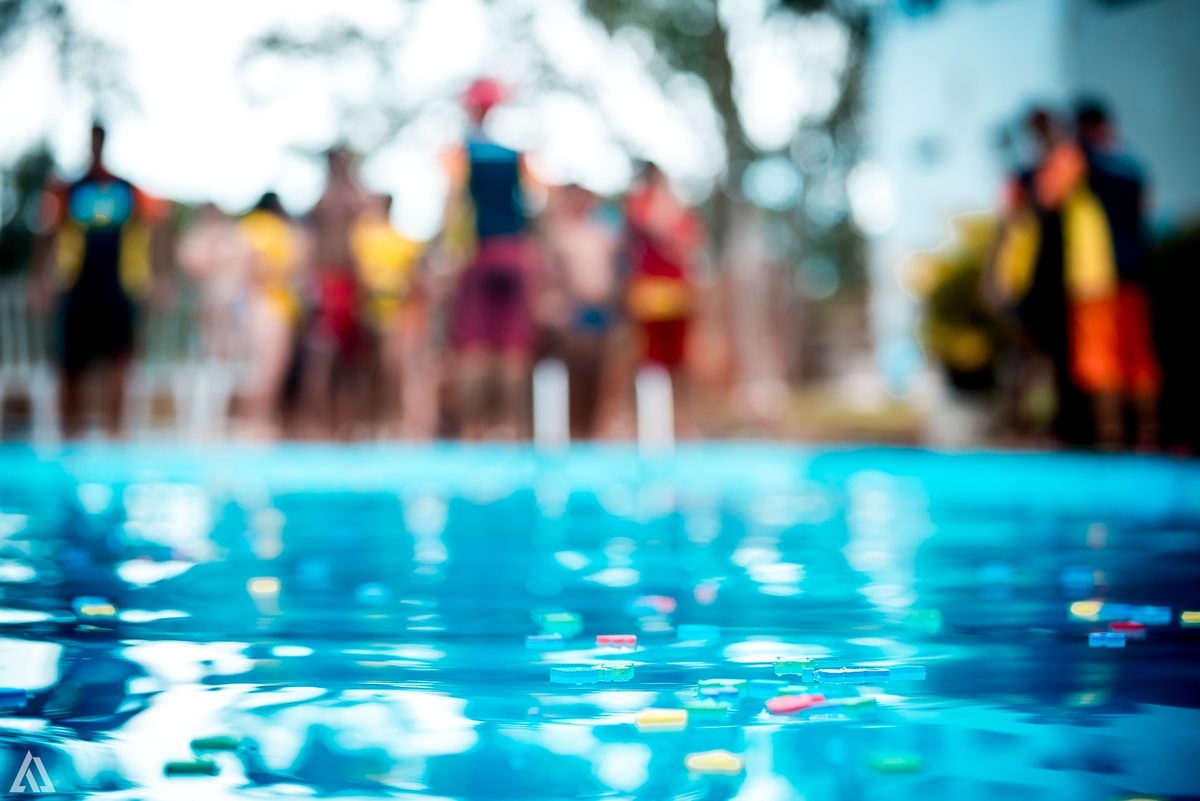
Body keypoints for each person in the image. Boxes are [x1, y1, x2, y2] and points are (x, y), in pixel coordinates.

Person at [992, 109, 1122, 446]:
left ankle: (1079, 430)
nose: (1040, 139)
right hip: (1034, 278)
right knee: (1028, 358)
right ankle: (1023, 429)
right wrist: (998, 276)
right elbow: (1008, 226)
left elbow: (1052, 198)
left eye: (1045, 131)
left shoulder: (1071, 164)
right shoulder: (1024, 175)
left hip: (1072, 278)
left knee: (1075, 359)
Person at [31, 123, 166, 438]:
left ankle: (115, 432)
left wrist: (160, 276)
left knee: (119, 361)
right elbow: (47, 231)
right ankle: (69, 433)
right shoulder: (68, 189)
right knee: (69, 363)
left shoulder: (128, 189)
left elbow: (160, 223)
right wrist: (38, 277)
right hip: (76, 284)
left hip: (119, 286)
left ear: (104, 142)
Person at [443, 78, 539, 439]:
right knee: (513, 347)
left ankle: (473, 430)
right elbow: (532, 209)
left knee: (474, 346)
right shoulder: (515, 155)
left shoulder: (462, 153)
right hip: (515, 254)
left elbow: (454, 206)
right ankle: (510, 429)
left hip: (479, 256)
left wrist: (450, 253)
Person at [1075, 99, 1161, 447]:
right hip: (1136, 269)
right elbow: (1145, 211)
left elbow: (1045, 196)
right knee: (1140, 358)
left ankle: (1110, 440)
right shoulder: (1133, 165)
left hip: (1098, 274)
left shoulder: (1083, 160)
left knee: (1101, 358)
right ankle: (1147, 436)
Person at [623, 162, 704, 432]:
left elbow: (687, 243)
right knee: (648, 360)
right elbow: (652, 228)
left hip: (677, 292)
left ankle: (684, 420)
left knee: (680, 361)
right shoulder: (640, 202)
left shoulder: (677, 205)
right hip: (649, 293)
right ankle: (643, 422)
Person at [540, 184, 621, 438]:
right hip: (574, 311)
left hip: (602, 310)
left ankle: (596, 431)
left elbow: (614, 273)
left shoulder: (601, 231)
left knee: (602, 378)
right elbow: (549, 279)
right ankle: (575, 432)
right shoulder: (559, 232)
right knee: (575, 377)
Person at [303, 147, 370, 438]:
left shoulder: (355, 198)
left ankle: (348, 422)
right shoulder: (323, 200)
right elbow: (311, 245)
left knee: (352, 360)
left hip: (351, 286)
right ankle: (318, 423)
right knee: (322, 357)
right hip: (327, 284)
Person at [349, 193, 423, 436]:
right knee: (368, 373)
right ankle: (370, 422)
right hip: (367, 316)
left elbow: (414, 281)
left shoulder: (403, 241)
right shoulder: (362, 235)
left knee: (393, 370)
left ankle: (396, 422)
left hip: (397, 318)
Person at [236, 192, 305, 438]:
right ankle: (254, 420)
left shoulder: (252, 227)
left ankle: (256, 419)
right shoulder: (268, 229)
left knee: (266, 366)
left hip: (267, 306)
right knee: (266, 367)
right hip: (266, 306)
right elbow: (250, 267)